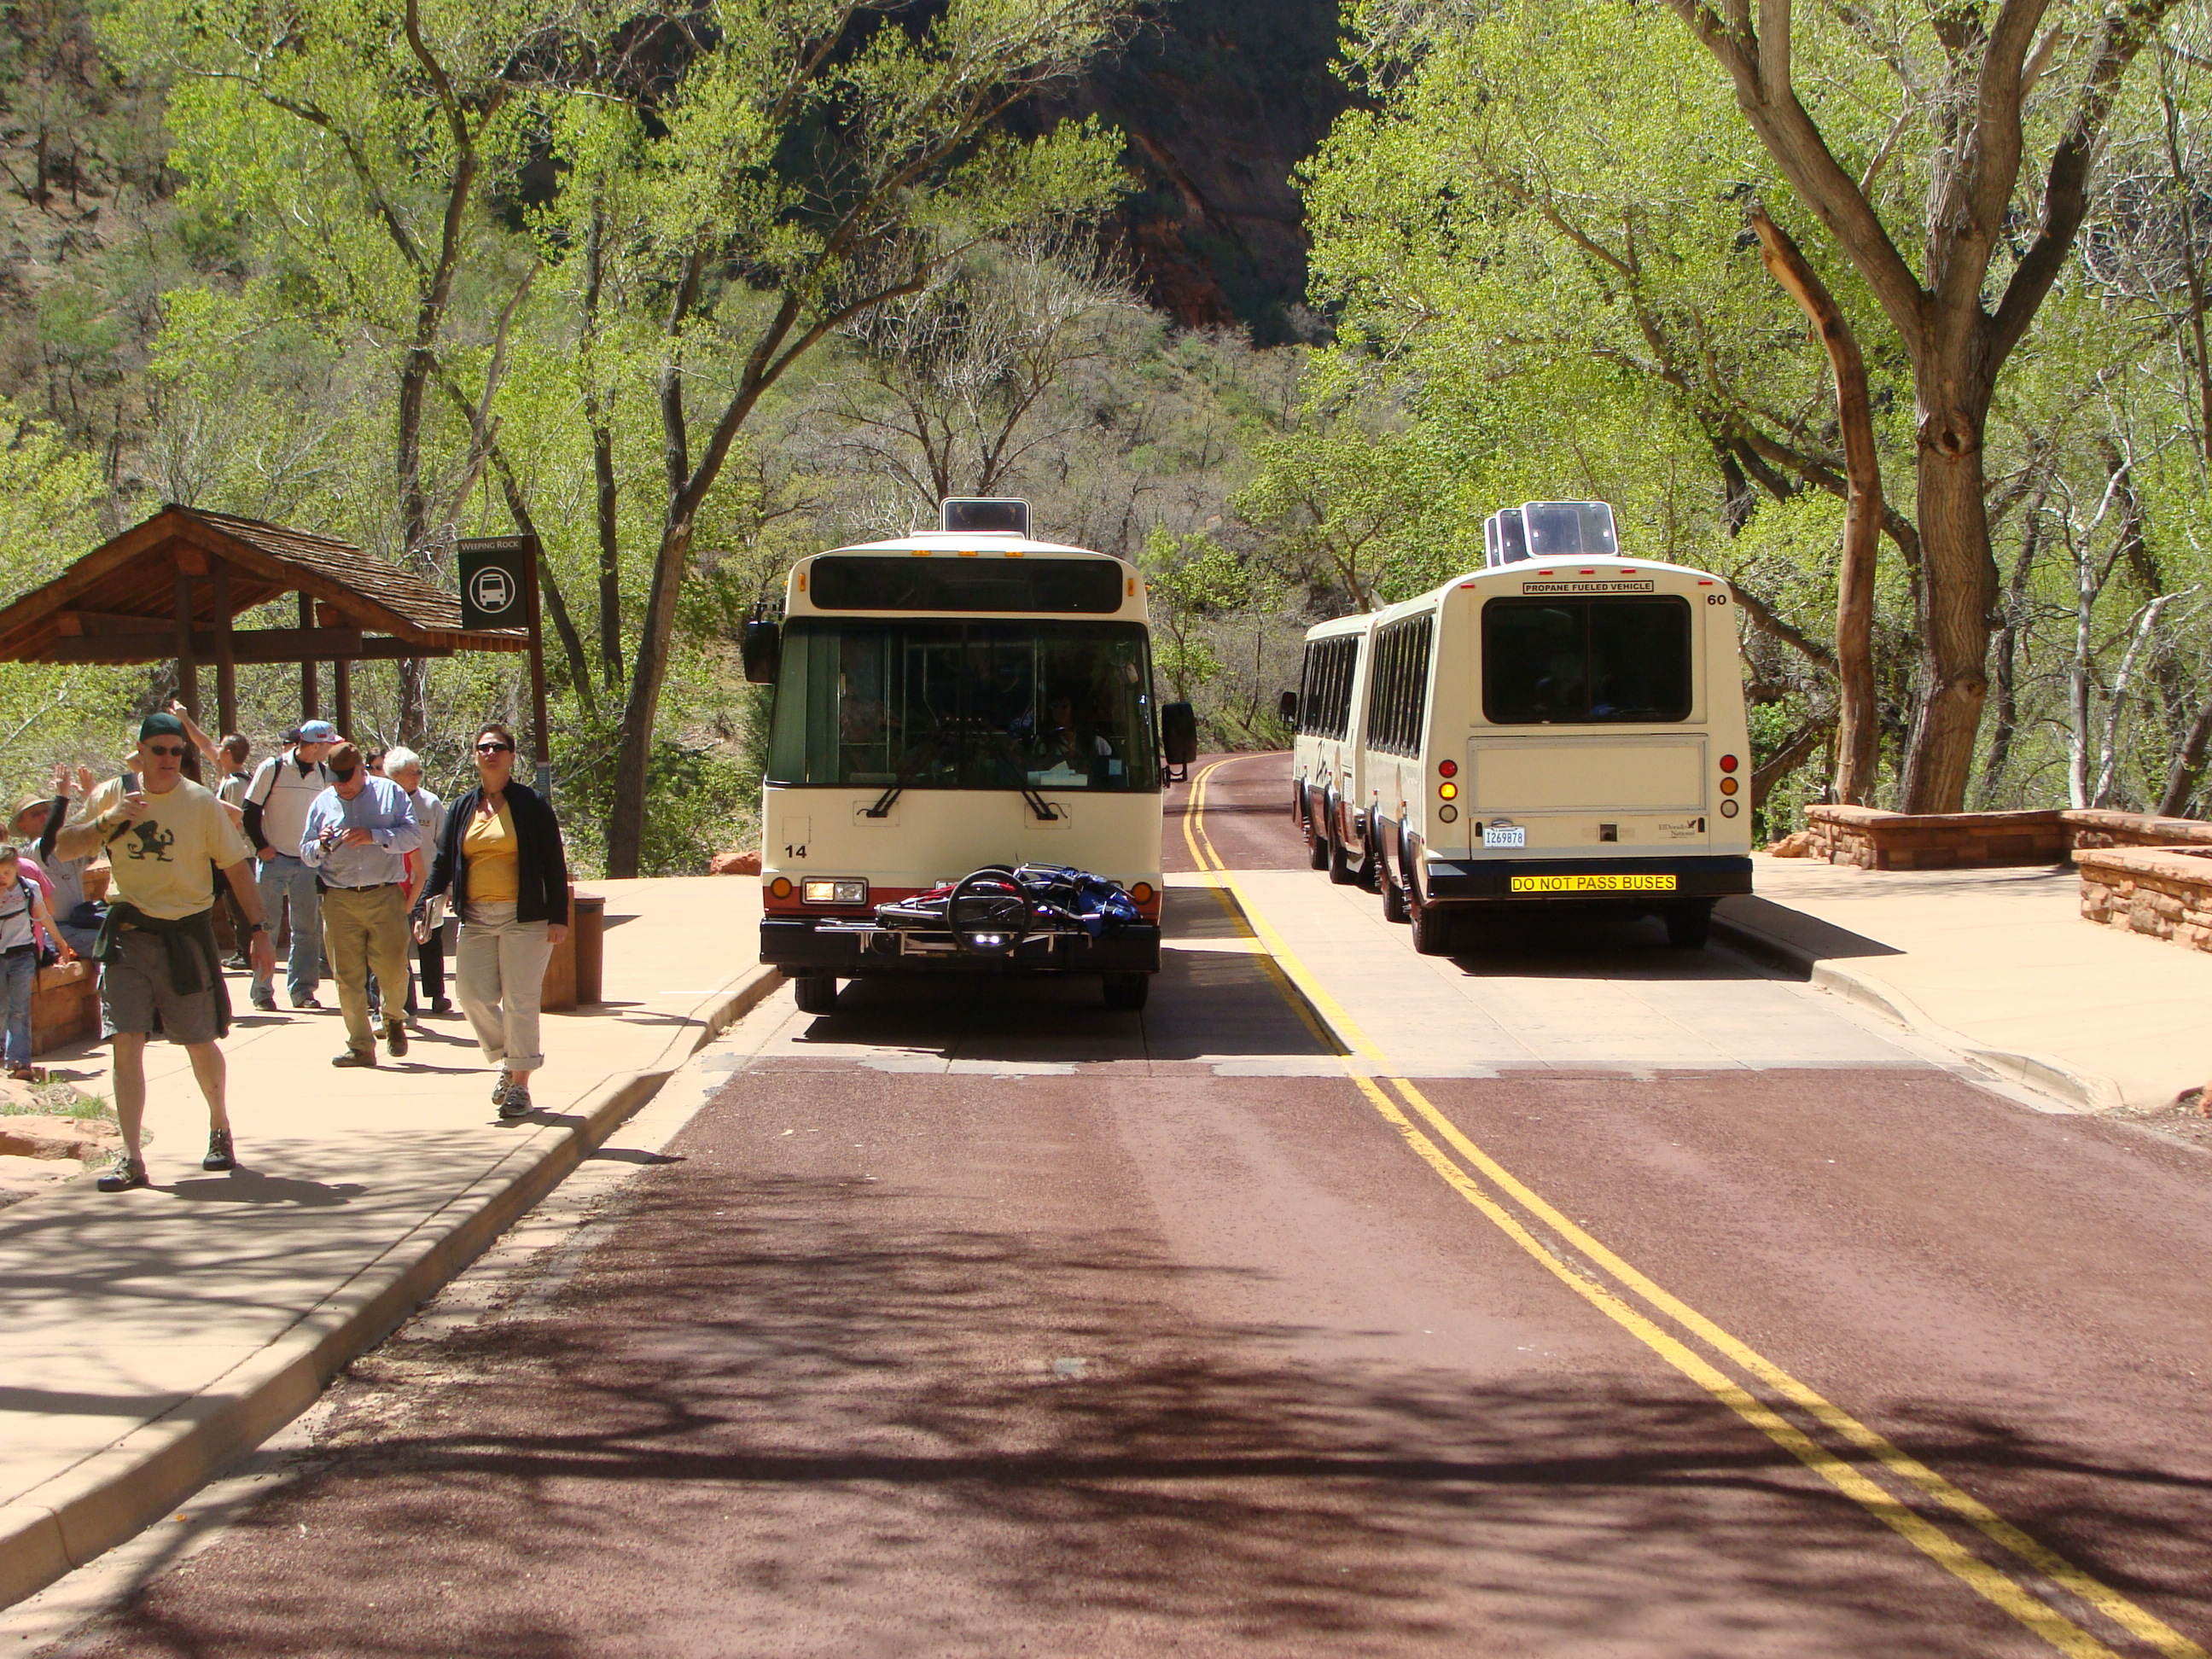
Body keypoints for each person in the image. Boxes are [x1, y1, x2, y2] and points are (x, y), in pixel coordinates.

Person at [55, 712, 276, 1190]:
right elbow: (65, 846)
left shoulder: (199, 802)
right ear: (140, 753)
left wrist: (259, 931)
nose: (170, 759)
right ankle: (131, 1156)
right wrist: (108, 821)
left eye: (178, 751)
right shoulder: (114, 793)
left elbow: (237, 868)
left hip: (184, 934)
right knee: (125, 1041)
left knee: (199, 1040)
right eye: (160, 750)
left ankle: (219, 1128)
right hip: (128, 933)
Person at [417, 724, 568, 1119]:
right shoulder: (463, 807)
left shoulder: (531, 804)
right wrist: (424, 904)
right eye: (483, 748)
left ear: (511, 755)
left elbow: (554, 861)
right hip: (476, 918)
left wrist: (559, 916)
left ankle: (520, 1085)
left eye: (498, 747)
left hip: (526, 919)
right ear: (475, 756)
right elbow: (442, 861)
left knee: (520, 1001)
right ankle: (511, 1058)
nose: (490, 753)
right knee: (472, 995)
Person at [299, 742, 420, 1067]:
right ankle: (360, 1045)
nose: (341, 784)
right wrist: (320, 845)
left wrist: (375, 835)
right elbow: (306, 853)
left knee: (393, 969)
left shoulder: (390, 794)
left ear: (362, 771)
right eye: (335, 778)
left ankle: (394, 1017)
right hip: (339, 898)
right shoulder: (322, 803)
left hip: (384, 894)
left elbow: (413, 837)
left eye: (347, 777)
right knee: (347, 976)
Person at [242, 719, 336, 1010]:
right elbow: (250, 810)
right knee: (266, 927)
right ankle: (262, 991)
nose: (330, 749)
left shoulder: (324, 774)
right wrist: (261, 847)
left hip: (308, 862)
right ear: (316, 745)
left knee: (307, 929)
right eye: (327, 744)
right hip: (274, 860)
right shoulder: (273, 768)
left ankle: (303, 991)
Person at [382, 747, 451, 1016]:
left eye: (419, 772)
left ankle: (437, 995)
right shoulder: (383, 803)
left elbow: (444, 844)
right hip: (395, 882)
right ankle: (405, 1000)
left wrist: (448, 885)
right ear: (394, 775)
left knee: (430, 936)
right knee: (398, 942)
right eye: (411, 773)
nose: (417, 777)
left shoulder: (431, 803)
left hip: (428, 881)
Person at [0, 843, 73, 1080]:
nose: (2, 879)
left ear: (15, 870)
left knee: (19, 1009)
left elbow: (43, 915)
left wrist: (60, 942)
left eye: (6, 873)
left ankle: (20, 1061)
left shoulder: (28, 889)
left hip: (22, 953)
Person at [19, 766, 104, 956]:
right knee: (110, 947)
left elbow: (99, 835)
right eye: (35, 814)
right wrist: (62, 798)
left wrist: (92, 800)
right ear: (21, 825)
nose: (43, 816)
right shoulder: (25, 855)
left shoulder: (67, 848)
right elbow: (49, 839)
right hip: (56, 930)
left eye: (46, 811)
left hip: (84, 922)